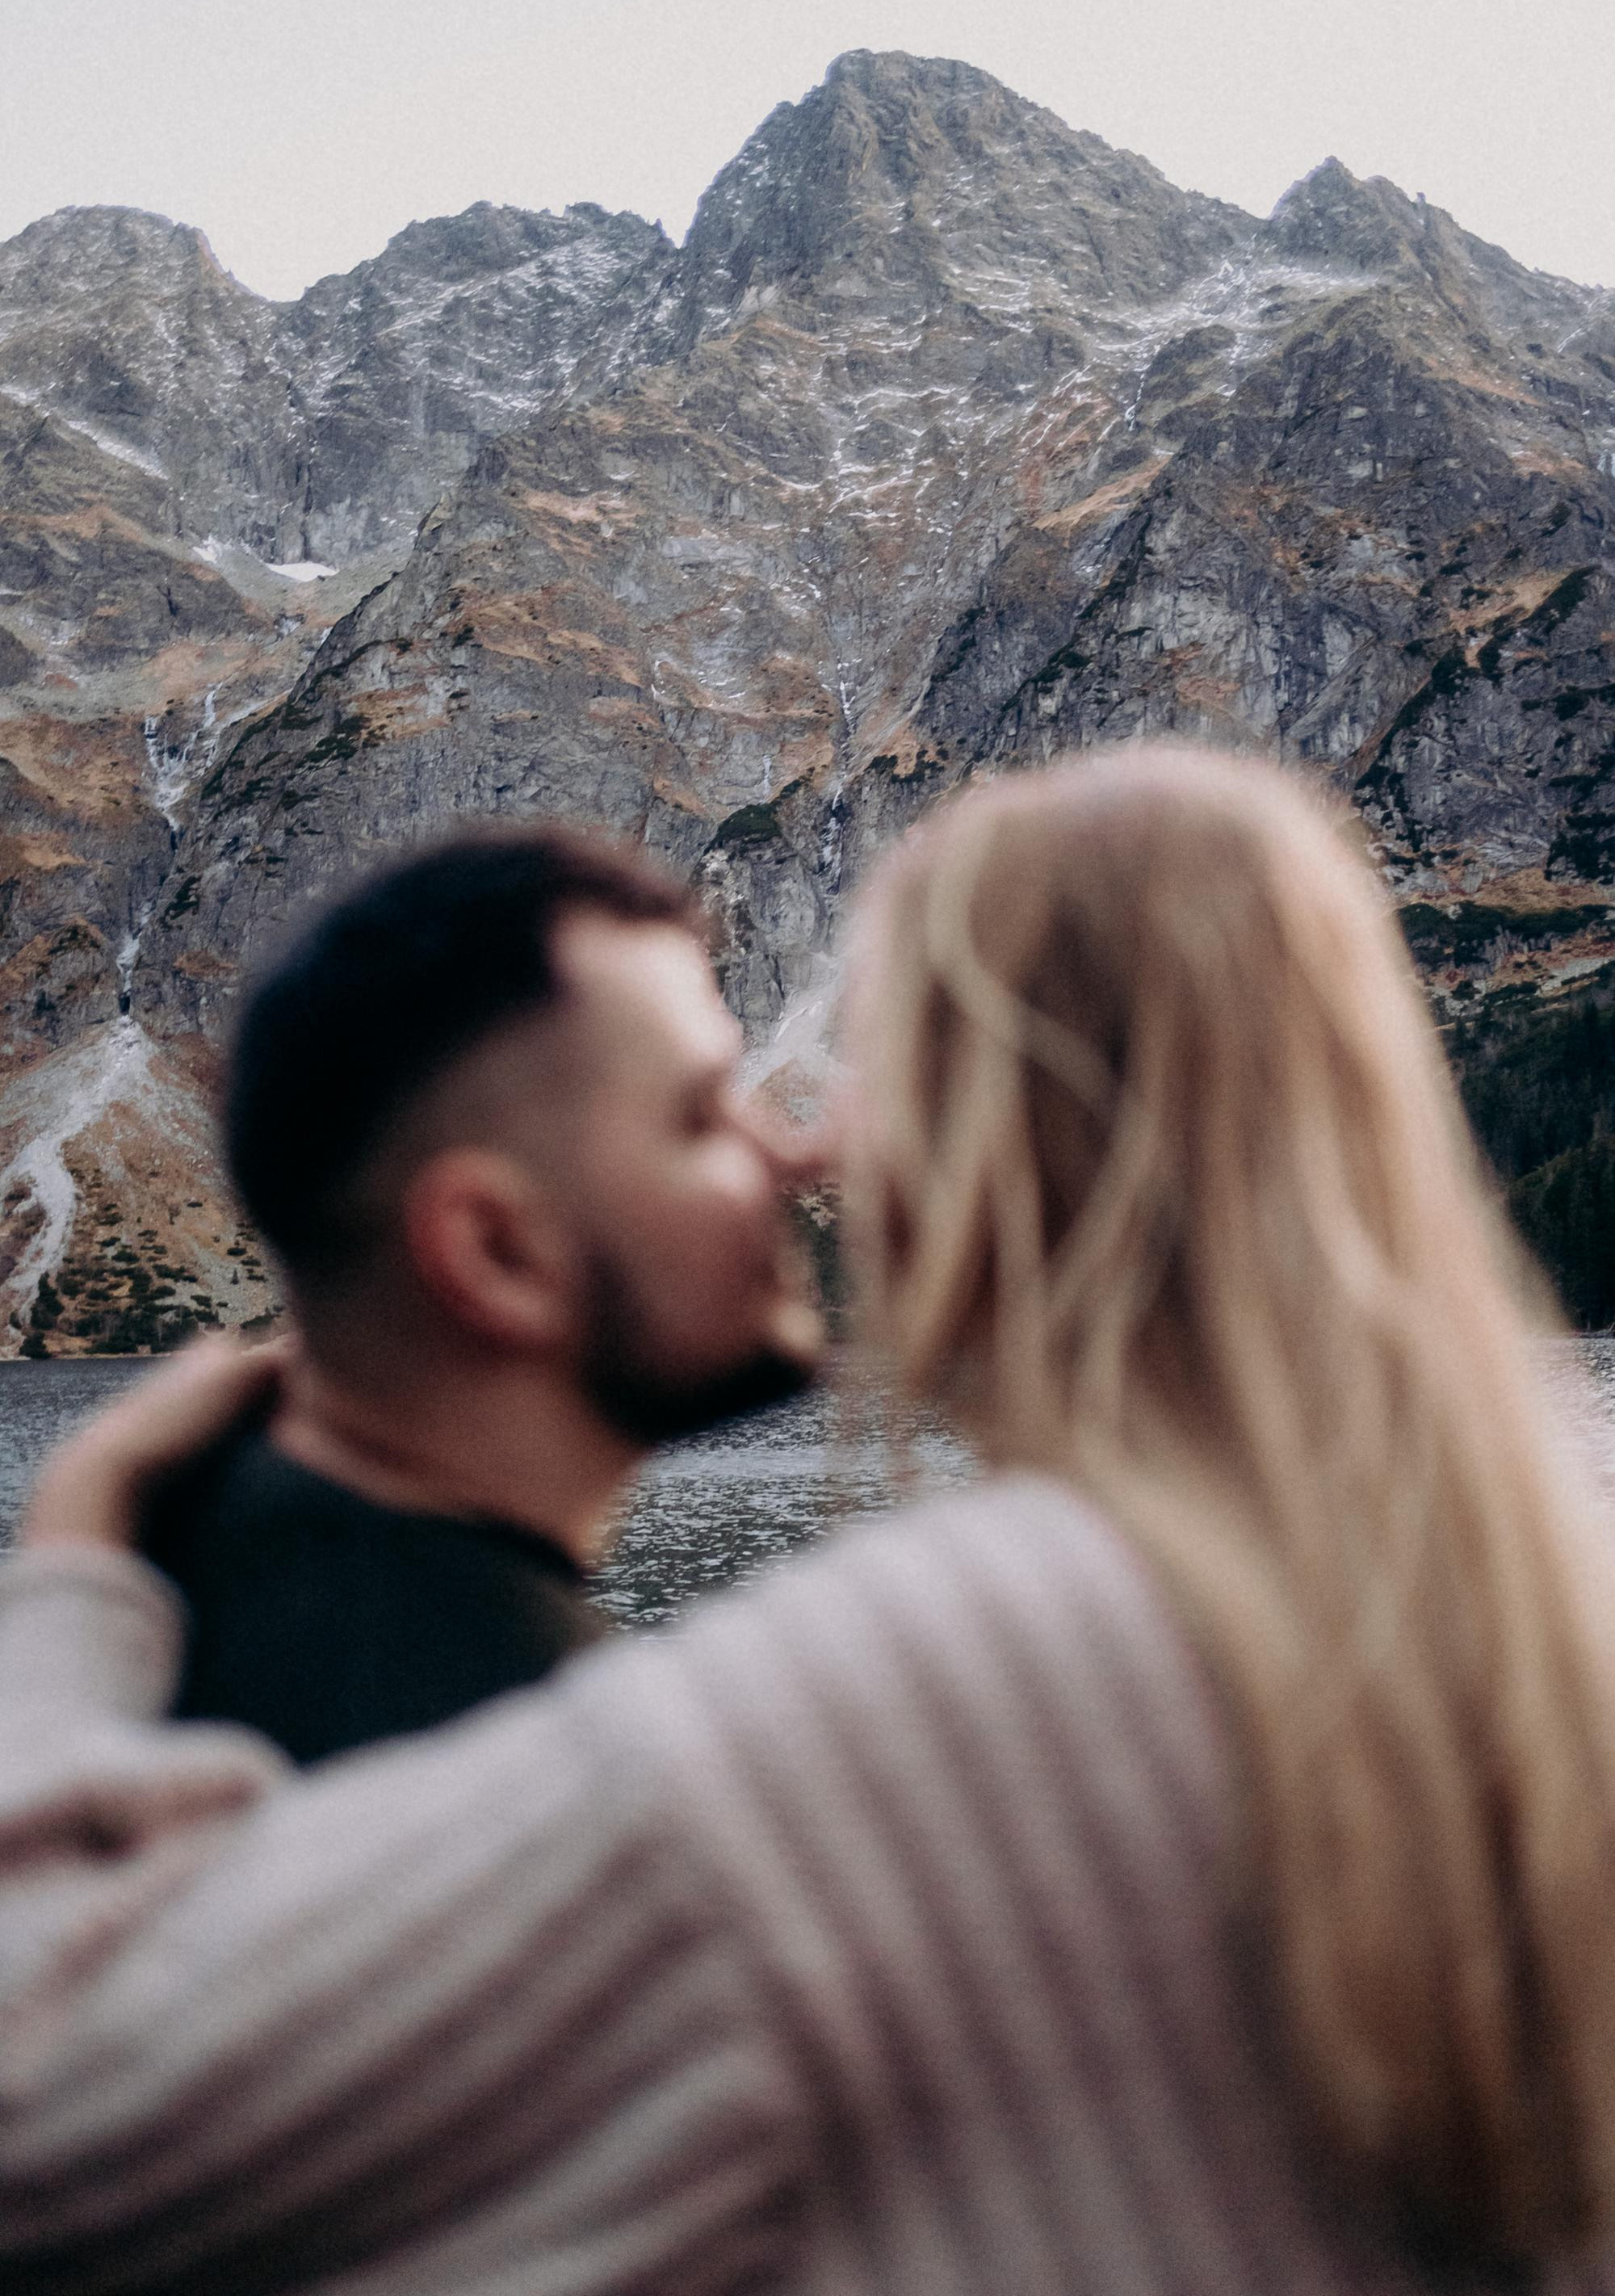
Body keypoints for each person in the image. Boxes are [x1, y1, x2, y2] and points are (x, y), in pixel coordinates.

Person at [3, 741, 1613, 2296]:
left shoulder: (976, 1672)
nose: (811, 1145)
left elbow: (44, 2096)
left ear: (1028, 1128)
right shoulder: (1519, 1614)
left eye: (878, 1070)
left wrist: (74, 1560)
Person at [141, 826, 823, 1761]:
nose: (789, 1156)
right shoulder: (549, 1773)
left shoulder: (178, 1613)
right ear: (496, 1252)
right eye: (700, 1115)